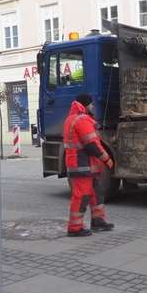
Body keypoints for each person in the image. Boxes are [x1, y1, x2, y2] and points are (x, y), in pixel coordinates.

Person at [63, 93, 115, 237]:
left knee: (96, 193)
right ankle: (75, 228)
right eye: (91, 104)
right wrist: (107, 160)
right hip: (82, 165)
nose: (93, 107)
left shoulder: (74, 118)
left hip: (86, 165)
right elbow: (91, 145)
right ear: (85, 105)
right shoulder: (81, 120)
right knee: (82, 196)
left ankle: (98, 221)